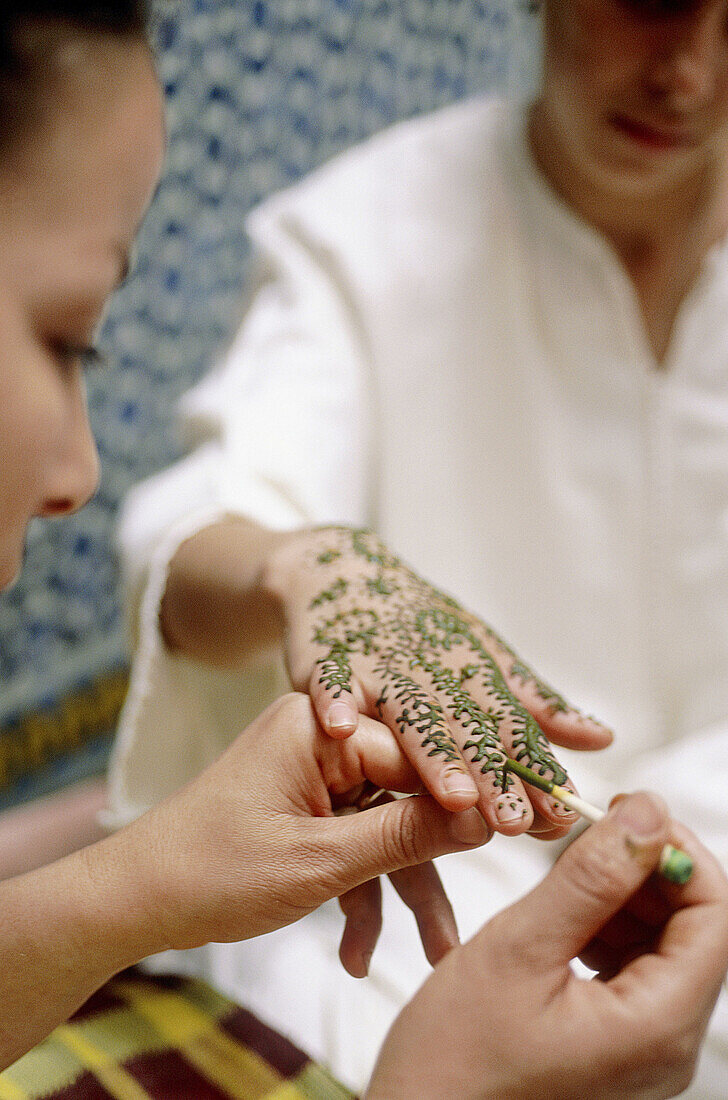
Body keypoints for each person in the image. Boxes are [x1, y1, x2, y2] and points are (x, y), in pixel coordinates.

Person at [4, 3, 728, 1096]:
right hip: (406, 922)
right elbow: (202, 527)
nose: (685, 71)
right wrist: (311, 565)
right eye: (651, 2)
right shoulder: (367, 233)